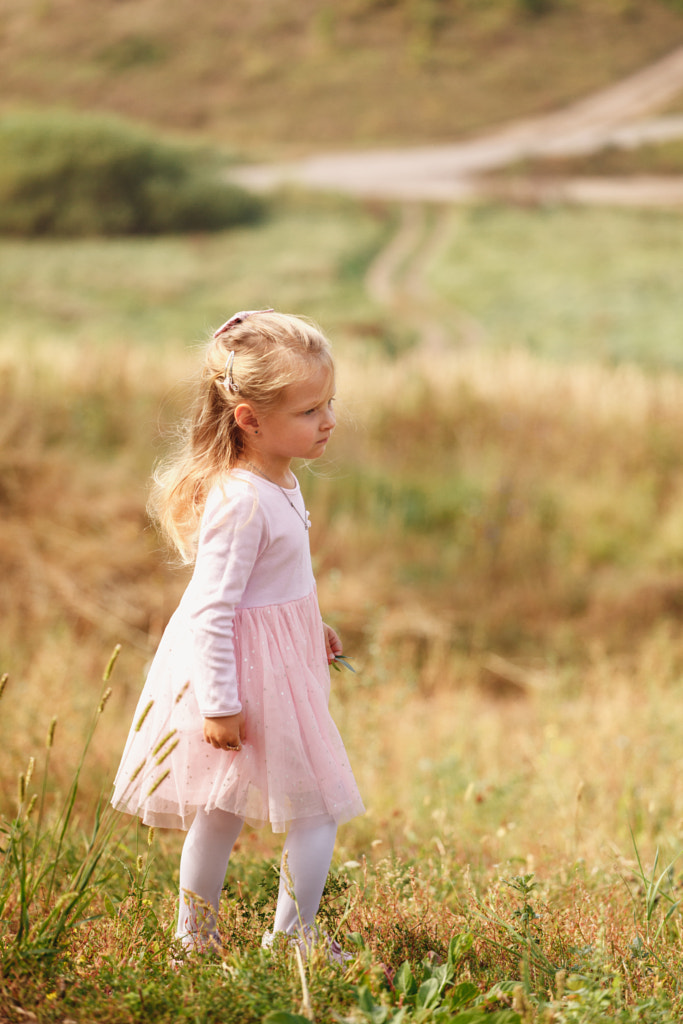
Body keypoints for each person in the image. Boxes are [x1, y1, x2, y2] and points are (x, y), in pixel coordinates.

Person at [112, 309, 364, 958]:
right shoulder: (240, 500)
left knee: (229, 811)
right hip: (238, 676)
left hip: (278, 661)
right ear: (250, 418)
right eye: (310, 411)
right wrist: (220, 705)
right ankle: (264, 937)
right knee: (300, 807)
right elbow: (213, 609)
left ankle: (227, 935)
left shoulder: (280, 477)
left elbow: (275, 585)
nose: (328, 421)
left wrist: (313, 625)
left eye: (328, 404)